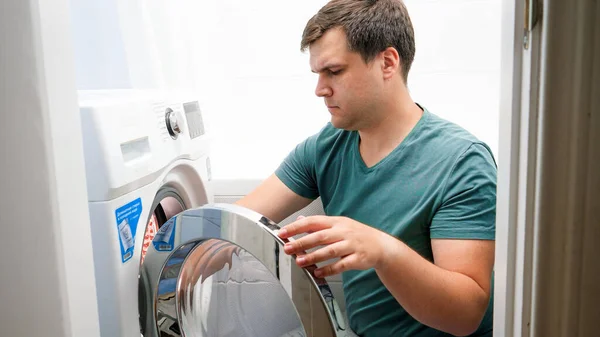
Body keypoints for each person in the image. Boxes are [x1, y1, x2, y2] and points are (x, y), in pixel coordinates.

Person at [236, 0, 497, 336]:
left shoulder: (461, 161)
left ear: (387, 62)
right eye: (317, 74)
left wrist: (382, 251)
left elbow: (465, 315)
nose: (320, 90)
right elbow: (238, 221)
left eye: (334, 71)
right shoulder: (326, 147)